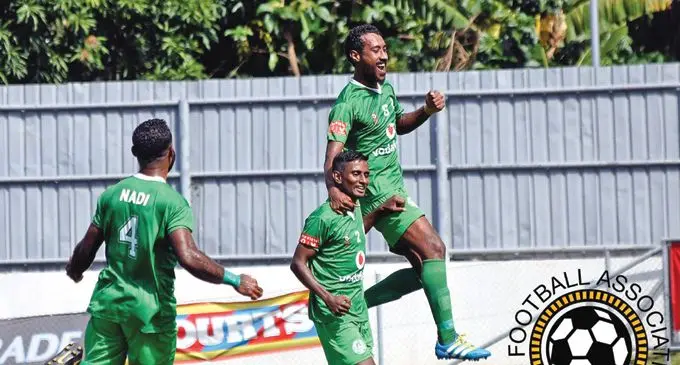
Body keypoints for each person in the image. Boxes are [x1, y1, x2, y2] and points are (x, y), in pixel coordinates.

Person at [323, 24, 491, 361]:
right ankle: (448, 339)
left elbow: (397, 125)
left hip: (397, 185)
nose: (384, 55)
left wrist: (426, 111)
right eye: (376, 50)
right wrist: (333, 187)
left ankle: (358, 302)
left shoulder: (386, 89)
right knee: (433, 247)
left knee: (424, 270)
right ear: (356, 57)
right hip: (377, 194)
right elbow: (332, 157)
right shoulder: (347, 103)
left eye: (385, 48)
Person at [65, 118, 264, 365]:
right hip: (150, 313)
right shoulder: (172, 202)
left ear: (134, 153)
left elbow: (87, 246)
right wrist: (235, 280)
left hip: (109, 306)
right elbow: (188, 256)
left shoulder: (112, 195)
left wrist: (75, 269)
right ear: (172, 153)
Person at [291, 150, 406, 365]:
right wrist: (328, 298)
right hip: (333, 312)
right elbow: (297, 263)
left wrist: (380, 210)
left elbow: (353, 234)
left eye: (366, 174)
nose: (363, 180)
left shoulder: (355, 206)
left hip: (357, 308)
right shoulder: (322, 217)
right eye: (356, 174)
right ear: (337, 177)